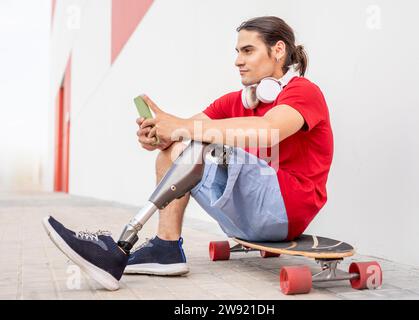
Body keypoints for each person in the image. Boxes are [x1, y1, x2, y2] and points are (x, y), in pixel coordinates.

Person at [42, 16, 334, 291]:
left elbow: (269, 128)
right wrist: (158, 135)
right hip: (247, 219)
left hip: (288, 210)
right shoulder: (234, 102)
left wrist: (181, 128)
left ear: (278, 50)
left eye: (248, 50)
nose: (238, 61)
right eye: (237, 52)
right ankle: (166, 247)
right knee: (177, 149)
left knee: (194, 142)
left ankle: (121, 243)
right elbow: (185, 134)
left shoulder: (303, 91)